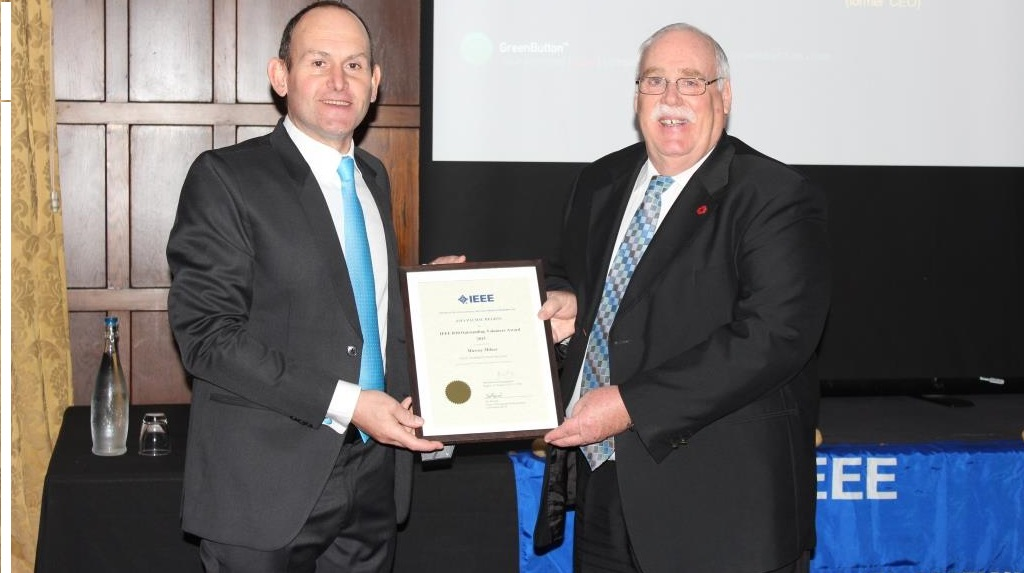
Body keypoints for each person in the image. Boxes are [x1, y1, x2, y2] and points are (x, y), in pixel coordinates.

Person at [536, 23, 831, 573]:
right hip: (608, 491)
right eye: (656, 81)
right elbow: (575, 276)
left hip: (722, 511)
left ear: (725, 96)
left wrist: (630, 406)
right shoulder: (600, 182)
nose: (671, 98)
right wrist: (566, 298)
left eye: (691, 82)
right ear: (636, 97)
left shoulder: (774, 197)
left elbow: (774, 338)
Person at [166, 2, 446, 571]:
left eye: (355, 65)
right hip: (264, 490)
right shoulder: (226, 177)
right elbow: (207, 337)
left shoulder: (373, 176)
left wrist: (431, 294)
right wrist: (349, 404)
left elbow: (352, 305)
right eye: (318, 62)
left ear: (375, 82)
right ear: (280, 76)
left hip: (373, 476)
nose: (339, 82)